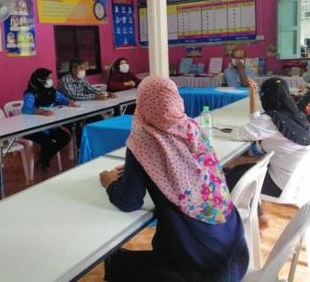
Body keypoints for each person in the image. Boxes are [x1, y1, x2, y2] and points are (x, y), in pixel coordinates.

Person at [100, 76, 248, 282]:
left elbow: (128, 202)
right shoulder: (191, 127)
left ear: (141, 102)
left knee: (115, 263)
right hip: (236, 252)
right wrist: (141, 169)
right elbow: (182, 166)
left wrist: (109, 182)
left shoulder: (144, 138)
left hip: (200, 270)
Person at [225, 78, 310, 227]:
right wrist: (252, 96)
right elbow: (258, 122)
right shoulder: (296, 116)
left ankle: (244, 222)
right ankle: (257, 215)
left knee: (232, 178)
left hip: (281, 184)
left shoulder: (270, 120)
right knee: (238, 170)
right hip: (298, 178)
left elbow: (238, 134)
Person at [22, 68, 77, 170]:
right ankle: (44, 163)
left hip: (49, 126)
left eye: (51, 78)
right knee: (48, 143)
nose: (50, 81)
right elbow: (26, 109)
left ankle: (43, 159)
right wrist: (41, 112)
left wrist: (69, 102)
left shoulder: (51, 92)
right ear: (40, 80)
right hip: (33, 128)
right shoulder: (30, 94)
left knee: (65, 137)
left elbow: (62, 98)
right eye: (48, 78)